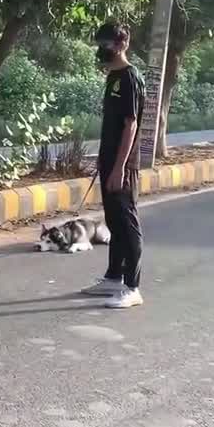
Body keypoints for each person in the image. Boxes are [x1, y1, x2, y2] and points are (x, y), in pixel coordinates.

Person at [81, 22, 146, 309]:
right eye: (99, 45)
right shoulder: (113, 77)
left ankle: (132, 287)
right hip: (110, 160)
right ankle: (113, 277)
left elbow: (130, 127)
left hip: (124, 165)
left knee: (127, 223)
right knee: (114, 221)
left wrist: (119, 167)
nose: (102, 51)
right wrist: (104, 159)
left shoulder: (130, 78)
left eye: (106, 45)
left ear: (122, 44)